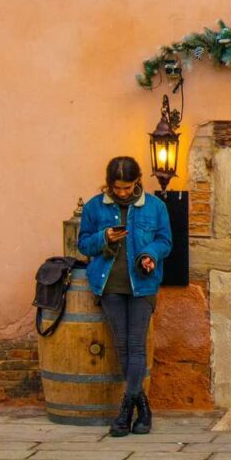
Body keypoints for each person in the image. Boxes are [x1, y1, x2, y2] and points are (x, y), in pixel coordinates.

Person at [77, 157, 173, 437]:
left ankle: (124, 411)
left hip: (143, 286)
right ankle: (142, 408)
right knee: (122, 346)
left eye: (127, 187)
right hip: (109, 286)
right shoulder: (95, 207)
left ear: (137, 181)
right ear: (109, 184)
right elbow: (82, 243)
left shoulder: (155, 207)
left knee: (137, 345)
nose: (122, 193)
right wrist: (104, 237)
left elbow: (165, 241)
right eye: (117, 188)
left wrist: (149, 256)